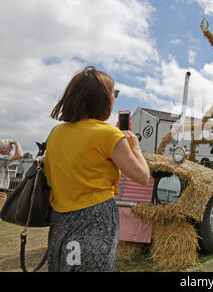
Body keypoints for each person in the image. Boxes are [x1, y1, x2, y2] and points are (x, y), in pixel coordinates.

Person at [45, 66, 150, 272]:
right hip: (95, 218)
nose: (114, 99)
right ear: (102, 99)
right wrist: (136, 147)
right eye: (114, 94)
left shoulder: (55, 133)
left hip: (59, 219)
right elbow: (142, 176)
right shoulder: (108, 134)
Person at [0, 139, 23, 211]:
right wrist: (16, 142)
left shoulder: (3, 159)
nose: (12, 148)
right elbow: (20, 155)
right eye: (11, 147)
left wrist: (8, 144)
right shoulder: (2, 160)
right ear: (3, 149)